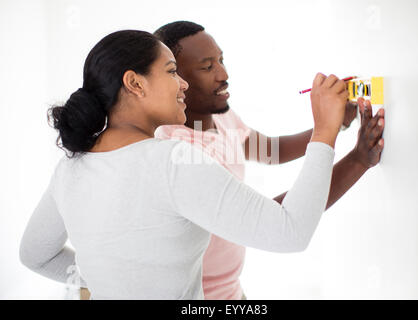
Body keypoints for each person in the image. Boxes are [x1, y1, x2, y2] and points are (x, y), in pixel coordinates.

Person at [19, 29, 364, 300]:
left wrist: (113, 282)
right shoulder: (173, 160)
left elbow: (36, 256)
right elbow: (290, 232)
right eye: (172, 72)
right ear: (135, 83)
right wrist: (324, 132)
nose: (182, 82)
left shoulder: (71, 168)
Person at [151, 21, 385, 299]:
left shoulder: (218, 116)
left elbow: (270, 150)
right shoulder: (180, 151)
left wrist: (338, 122)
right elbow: (272, 221)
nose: (224, 74)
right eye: (207, 66)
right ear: (176, 80)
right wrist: (356, 158)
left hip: (233, 293)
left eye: (221, 60)